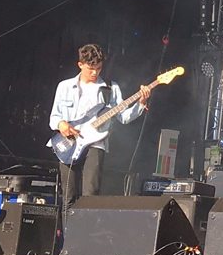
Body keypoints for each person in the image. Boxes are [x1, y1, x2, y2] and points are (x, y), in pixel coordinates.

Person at [49, 44, 150, 214]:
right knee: (68, 196)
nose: (95, 73)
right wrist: (62, 125)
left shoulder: (111, 88)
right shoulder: (64, 87)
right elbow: (54, 117)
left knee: (90, 195)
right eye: (91, 69)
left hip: (96, 144)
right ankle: (67, 231)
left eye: (99, 68)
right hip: (69, 143)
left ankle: (86, 229)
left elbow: (124, 117)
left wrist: (141, 102)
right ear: (80, 65)